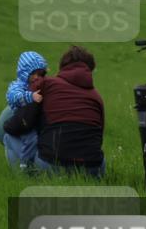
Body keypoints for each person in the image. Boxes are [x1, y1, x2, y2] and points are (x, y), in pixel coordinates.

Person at [32, 45, 106, 177]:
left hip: (52, 164)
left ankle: (24, 175)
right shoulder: (96, 97)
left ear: (63, 67)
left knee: (11, 133)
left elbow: (24, 116)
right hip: (91, 170)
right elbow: (99, 137)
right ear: (90, 70)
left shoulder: (48, 84)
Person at [0, 51, 48, 170]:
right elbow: (13, 96)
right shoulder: (18, 85)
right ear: (24, 72)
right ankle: (24, 164)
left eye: (40, 73)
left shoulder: (35, 84)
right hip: (22, 120)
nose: (37, 77)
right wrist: (30, 97)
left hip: (31, 118)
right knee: (31, 139)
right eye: (33, 73)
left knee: (36, 138)